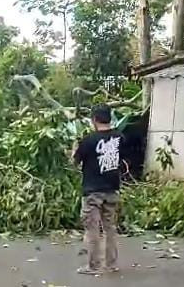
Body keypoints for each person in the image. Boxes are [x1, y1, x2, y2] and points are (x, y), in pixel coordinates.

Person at [73, 104, 127, 275]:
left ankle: (94, 266)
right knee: (110, 227)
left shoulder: (88, 140)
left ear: (94, 120)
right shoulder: (120, 137)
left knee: (93, 228)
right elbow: (123, 159)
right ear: (109, 119)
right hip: (112, 190)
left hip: (92, 192)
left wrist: (75, 148)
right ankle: (111, 265)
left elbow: (74, 161)